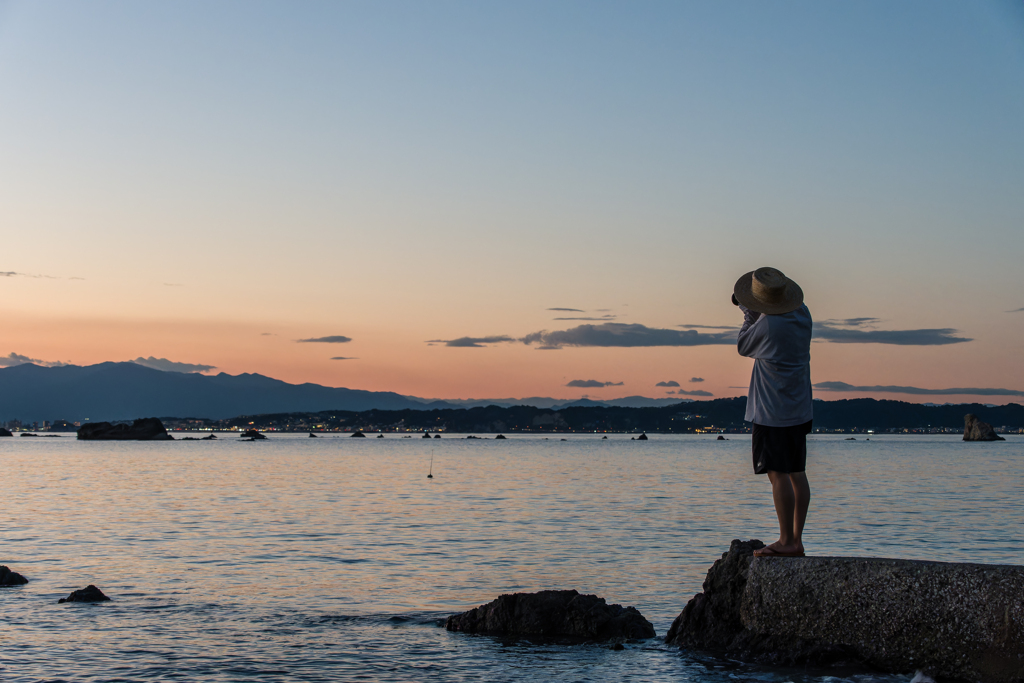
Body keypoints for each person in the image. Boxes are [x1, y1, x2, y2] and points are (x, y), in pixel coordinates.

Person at [733, 267, 813, 558]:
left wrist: (749, 313)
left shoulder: (770, 327)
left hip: (772, 410)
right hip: (799, 406)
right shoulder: (803, 314)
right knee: (796, 472)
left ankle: (786, 541)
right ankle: (796, 539)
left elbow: (743, 345)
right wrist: (758, 309)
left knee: (778, 474)